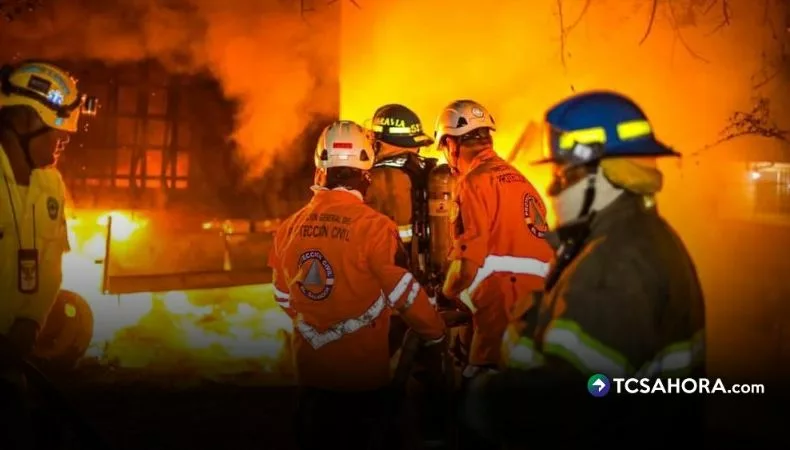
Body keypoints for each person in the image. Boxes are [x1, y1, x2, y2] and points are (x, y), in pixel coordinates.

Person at [463, 90, 706, 449]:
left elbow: (567, 405)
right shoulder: (643, 236)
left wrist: (482, 400)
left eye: (564, 175)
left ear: (601, 176)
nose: (552, 188)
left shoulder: (612, 265)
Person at [267, 120, 446, 450]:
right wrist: (435, 332)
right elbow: (403, 293)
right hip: (362, 381)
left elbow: (282, 295)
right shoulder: (375, 227)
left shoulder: (289, 227)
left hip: (311, 377)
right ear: (366, 175)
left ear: (320, 170)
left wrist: (320, 316)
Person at [0, 60, 93, 449]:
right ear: (23, 121)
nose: (63, 141)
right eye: (56, 130)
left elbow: (51, 265)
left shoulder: (51, 184)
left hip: (11, 361)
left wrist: (30, 322)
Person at [433, 99, 553, 381]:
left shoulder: (473, 182)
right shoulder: (522, 180)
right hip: (541, 309)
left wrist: (444, 296)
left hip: (502, 309)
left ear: (450, 144)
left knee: (480, 392)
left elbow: (467, 265)